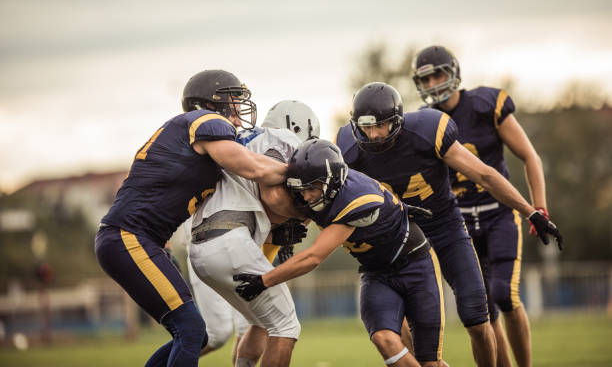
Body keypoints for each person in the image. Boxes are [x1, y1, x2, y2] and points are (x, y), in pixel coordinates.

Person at [334, 82, 562, 367]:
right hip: (399, 243)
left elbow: (485, 175)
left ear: (398, 121)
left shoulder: (426, 131)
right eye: (366, 126)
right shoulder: (347, 149)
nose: (373, 134)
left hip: (445, 229)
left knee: (478, 319)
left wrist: (531, 212)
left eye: (381, 125)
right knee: (399, 327)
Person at [95, 69, 288, 367]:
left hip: (140, 241)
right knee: (191, 329)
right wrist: (303, 173)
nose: (238, 110)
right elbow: (255, 168)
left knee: (193, 334)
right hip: (129, 238)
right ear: (211, 103)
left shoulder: (192, 138)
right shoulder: (205, 123)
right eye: (233, 101)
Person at [233, 139, 450, 367]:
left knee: (430, 362)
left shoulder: (358, 198)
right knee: (383, 338)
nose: (306, 197)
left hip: (416, 265)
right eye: (302, 189)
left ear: (333, 180)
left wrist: (264, 280)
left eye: (312, 189)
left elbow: (313, 257)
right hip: (376, 272)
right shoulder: (314, 190)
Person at [412, 45, 553, 367]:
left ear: (454, 73)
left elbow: (530, 156)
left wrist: (538, 207)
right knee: (482, 310)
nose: (433, 82)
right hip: (458, 223)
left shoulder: (485, 105)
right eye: (426, 78)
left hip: (498, 215)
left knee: (505, 294)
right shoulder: (425, 123)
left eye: (438, 74)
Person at [188, 100, 320, 367]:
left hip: (201, 244)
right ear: (298, 128)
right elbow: (271, 194)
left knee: (259, 323)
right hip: (230, 240)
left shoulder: (239, 141)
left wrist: (278, 233)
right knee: (285, 326)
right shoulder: (282, 140)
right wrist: (307, 213)